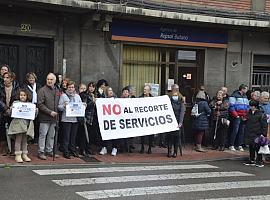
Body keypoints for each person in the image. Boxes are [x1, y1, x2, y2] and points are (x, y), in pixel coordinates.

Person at [8, 89, 36, 163]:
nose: (22, 96)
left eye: (24, 95)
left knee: (24, 140)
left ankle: (24, 154)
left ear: (27, 96)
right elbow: (10, 113)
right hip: (18, 124)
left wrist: (35, 111)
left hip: (26, 124)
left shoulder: (30, 104)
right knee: (18, 139)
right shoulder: (16, 103)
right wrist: (11, 109)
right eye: (21, 95)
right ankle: (17, 155)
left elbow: (33, 116)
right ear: (19, 96)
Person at [37, 73, 61, 160]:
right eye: (48, 79)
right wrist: (50, 112)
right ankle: (41, 151)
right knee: (43, 135)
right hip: (45, 117)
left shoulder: (57, 90)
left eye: (51, 79)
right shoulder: (42, 90)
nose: (49, 81)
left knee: (51, 135)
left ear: (55, 81)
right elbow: (40, 104)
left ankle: (49, 150)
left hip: (54, 118)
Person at [58, 80, 84, 159]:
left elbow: (80, 105)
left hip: (75, 119)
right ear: (67, 88)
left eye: (72, 87)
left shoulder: (77, 96)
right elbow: (59, 107)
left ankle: (72, 150)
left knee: (73, 136)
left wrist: (83, 105)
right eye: (69, 87)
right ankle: (65, 151)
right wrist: (64, 106)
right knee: (66, 136)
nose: (71, 89)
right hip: (66, 119)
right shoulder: (63, 96)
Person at [0, 71, 20, 155]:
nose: (5, 79)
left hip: (13, 112)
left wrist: (12, 108)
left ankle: (12, 148)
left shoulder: (16, 87)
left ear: (12, 79)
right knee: (2, 131)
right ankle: (4, 148)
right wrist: (5, 108)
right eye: (4, 77)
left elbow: (18, 97)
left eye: (7, 77)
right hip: (2, 111)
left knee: (13, 129)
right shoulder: (0, 87)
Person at [244, 100, 267, 167]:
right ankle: (252, 160)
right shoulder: (249, 113)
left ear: (255, 106)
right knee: (251, 147)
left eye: (251, 106)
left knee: (258, 147)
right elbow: (246, 121)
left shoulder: (261, 114)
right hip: (250, 132)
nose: (250, 107)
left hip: (258, 133)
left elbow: (264, 125)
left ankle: (259, 160)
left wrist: (263, 134)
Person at [229, 84, 249, 151]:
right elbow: (231, 106)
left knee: (241, 131)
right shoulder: (234, 95)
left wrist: (245, 115)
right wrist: (236, 115)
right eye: (246, 89)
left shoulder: (245, 96)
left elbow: (247, 107)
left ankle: (239, 145)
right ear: (242, 89)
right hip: (237, 116)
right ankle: (231, 144)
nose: (246, 90)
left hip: (243, 116)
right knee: (235, 130)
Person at [78, 81, 97, 156]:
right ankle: (82, 150)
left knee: (90, 134)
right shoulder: (85, 95)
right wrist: (92, 102)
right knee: (84, 135)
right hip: (86, 117)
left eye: (93, 87)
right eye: (90, 86)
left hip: (93, 118)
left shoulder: (94, 95)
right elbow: (84, 106)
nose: (91, 88)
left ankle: (88, 149)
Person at [99, 87, 119, 156]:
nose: (110, 91)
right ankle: (104, 148)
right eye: (109, 90)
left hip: (114, 120)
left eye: (111, 90)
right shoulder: (103, 99)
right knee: (105, 134)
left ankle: (114, 148)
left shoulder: (116, 99)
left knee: (115, 134)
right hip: (106, 120)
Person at [23, 72, 41, 143]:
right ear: (27, 79)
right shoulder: (25, 86)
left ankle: (35, 138)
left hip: (37, 106)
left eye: (32, 78)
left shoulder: (39, 86)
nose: (31, 79)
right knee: (29, 123)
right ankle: (28, 139)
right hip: (29, 106)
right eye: (29, 78)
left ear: (35, 78)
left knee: (37, 123)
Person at [167, 89, 185, 158]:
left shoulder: (181, 103)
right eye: (173, 95)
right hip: (170, 122)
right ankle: (169, 151)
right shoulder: (169, 102)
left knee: (176, 138)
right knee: (169, 137)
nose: (175, 96)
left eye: (176, 95)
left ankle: (175, 152)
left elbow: (182, 113)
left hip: (177, 122)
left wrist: (180, 122)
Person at [140, 84, 154, 154]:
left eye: (146, 89)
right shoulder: (140, 98)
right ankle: (142, 147)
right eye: (144, 89)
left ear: (149, 91)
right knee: (142, 134)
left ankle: (149, 148)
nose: (144, 91)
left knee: (150, 135)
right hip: (142, 119)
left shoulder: (153, 99)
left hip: (150, 119)